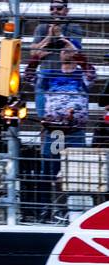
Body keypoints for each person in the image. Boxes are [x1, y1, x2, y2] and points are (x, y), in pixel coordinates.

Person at [27, 33, 95, 220]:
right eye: (63, 49)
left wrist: (77, 54)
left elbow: (91, 72)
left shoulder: (82, 76)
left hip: (75, 131)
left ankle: (76, 212)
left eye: (68, 49)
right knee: (48, 170)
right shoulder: (48, 74)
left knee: (77, 171)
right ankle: (43, 210)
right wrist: (35, 59)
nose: (65, 52)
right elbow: (29, 77)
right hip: (55, 131)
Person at [33, 2, 83, 117]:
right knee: (44, 118)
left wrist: (59, 35)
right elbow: (33, 53)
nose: (55, 11)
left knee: (66, 117)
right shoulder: (42, 27)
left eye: (59, 8)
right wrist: (49, 37)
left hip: (67, 78)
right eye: (52, 8)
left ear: (67, 10)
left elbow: (75, 52)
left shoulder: (73, 27)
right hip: (45, 75)